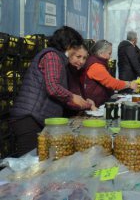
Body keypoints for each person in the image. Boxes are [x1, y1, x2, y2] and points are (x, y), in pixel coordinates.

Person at [10, 26, 92, 156]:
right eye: (76, 48)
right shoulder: (52, 56)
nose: (80, 59)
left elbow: (60, 94)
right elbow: (53, 88)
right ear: (68, 44)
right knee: (29, 163)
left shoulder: (59, 59)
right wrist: (72, 97)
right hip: (30, 118)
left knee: (38, 160)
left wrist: (82, 102)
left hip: (36, 117)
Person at [82, 40, 138, 107]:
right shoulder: (96, 66)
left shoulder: (97, 62)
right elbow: (112, 83)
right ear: (101, 53)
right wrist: (129, 84)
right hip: (95, 103)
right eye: (109, 53)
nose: (110, 57)